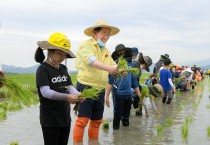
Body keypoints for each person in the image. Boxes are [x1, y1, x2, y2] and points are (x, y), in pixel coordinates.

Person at [73, 19, 119, 142]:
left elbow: (113, 65)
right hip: (86, 86)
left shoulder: (106, 51)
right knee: (82, 120)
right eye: (104, 33)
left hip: (100, 89)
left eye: (108, 34)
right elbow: (92, 61)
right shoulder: (85, 45)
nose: (106, 37)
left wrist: (120, 69)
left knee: (97, 120)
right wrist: (109, 68)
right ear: (95, 32)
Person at [35, 32, 81, 145]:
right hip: (50, 119)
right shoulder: (43, 69)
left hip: (65, 117)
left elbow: (69, 87)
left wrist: (78, 94)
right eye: (59, 53)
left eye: (64, 54)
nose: (62, 57)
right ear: (50, 51)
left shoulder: (63, 68)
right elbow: (45, 92)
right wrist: (67, 97)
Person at [105, 44, 141, 130]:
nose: (121, 54)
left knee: (126, 118)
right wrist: (106, 96)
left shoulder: (131, 65)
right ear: (117, 54)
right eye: (119, 52)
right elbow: (110, 82)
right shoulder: (115, 66)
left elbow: (134, 80)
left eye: (123, 52)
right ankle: (116, 138)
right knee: (117, 115)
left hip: (128, 95)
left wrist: (139, 93)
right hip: (118, 94)